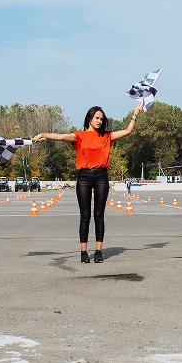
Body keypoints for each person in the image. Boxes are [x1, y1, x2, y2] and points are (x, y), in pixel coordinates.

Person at [34, 102, 144, 264]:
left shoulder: (107, 136)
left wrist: (135, 113)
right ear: (89, 119)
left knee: (99, 216)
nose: (99, 121)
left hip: (101, 177)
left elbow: (128, 131)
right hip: (84, 177)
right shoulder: (80, 136)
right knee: (85, 216)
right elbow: (60, 136)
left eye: (102, 119)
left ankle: (98, 251)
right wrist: (44, 135)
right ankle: (83, 252)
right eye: (96, 118)